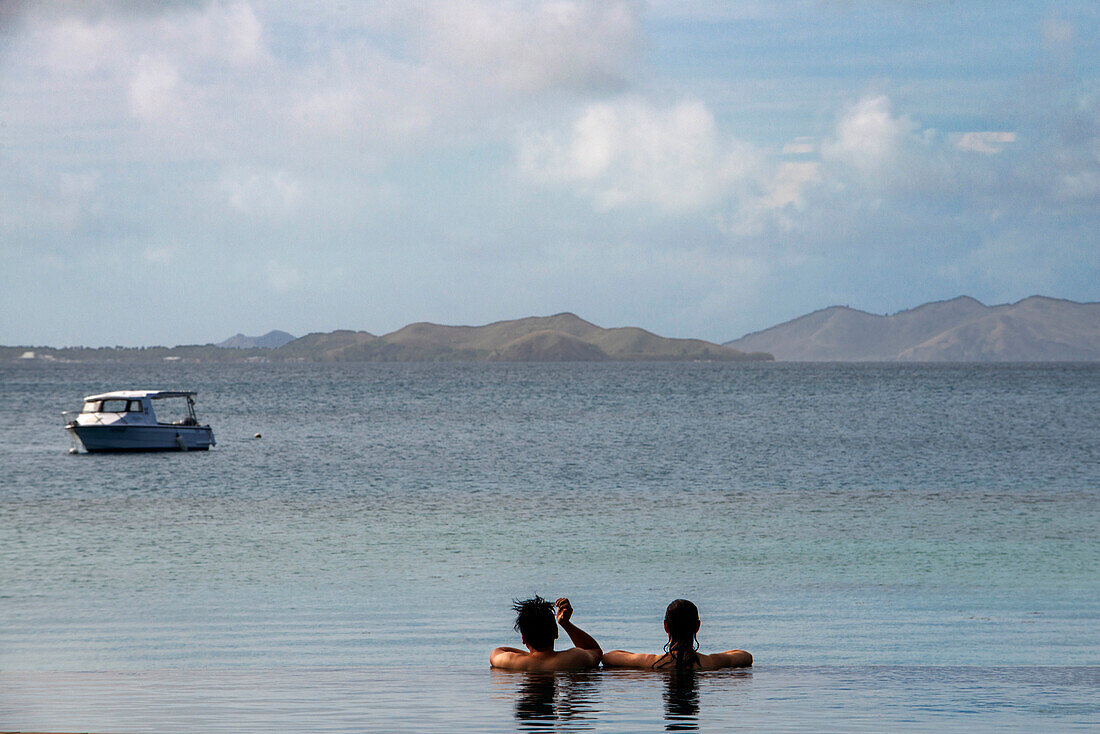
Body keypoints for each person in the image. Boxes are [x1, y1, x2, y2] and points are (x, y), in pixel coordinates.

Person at [602, 599, 752, 670]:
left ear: (666, 626)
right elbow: (745, 656)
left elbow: (608, 657)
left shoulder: (651, 662)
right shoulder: (711, 663)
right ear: (697, 627)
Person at [490, 596, 603, 671]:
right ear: (556, 633)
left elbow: (497, 652)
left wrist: (532, 656)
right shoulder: (574, 657)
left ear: (524, 638)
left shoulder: (510, 661)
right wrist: (566, 624)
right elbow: (595, 651)